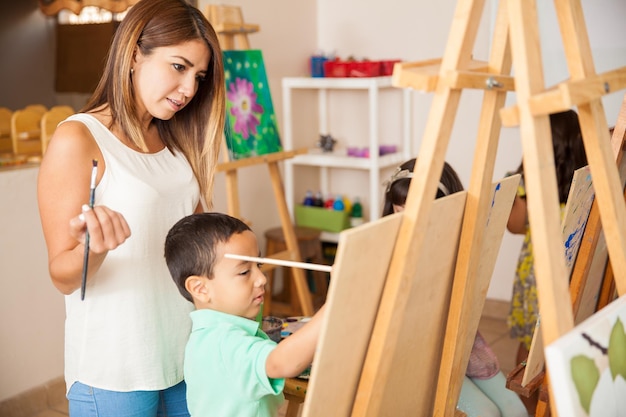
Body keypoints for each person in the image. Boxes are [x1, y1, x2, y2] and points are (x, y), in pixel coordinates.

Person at [37, 0, 225, 415]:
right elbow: (62, 277)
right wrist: (97, 248)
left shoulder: (176, 143)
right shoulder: (79, 139)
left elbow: (189, 249)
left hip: (183, 354)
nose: (190, 89)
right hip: (116, 371)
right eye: (179, 67)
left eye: (199, 76)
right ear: (135, 53)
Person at [383, 158, 528, 417]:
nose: (408, 220)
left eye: (417, 210)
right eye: (399, 209)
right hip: (419, 356)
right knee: (486, 413)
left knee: (515, 409)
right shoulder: (389, 250)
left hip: (460, 345)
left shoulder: (457, 244)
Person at [164, 212, 327, 417]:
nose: (262, 279)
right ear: (200, 289)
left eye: (258, 265)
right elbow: (281, 363)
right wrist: (332, 305)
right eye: (244, 272)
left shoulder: (214, 329)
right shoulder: (223, 342)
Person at [505, 109, 588, 411]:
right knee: (549, 349)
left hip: (539, 283)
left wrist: (516, 188)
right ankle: (541, 403)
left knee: (531, 349)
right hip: (567, 282)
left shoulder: (544, 189)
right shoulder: (585, 185)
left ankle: (529, 405)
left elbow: (515, 225)